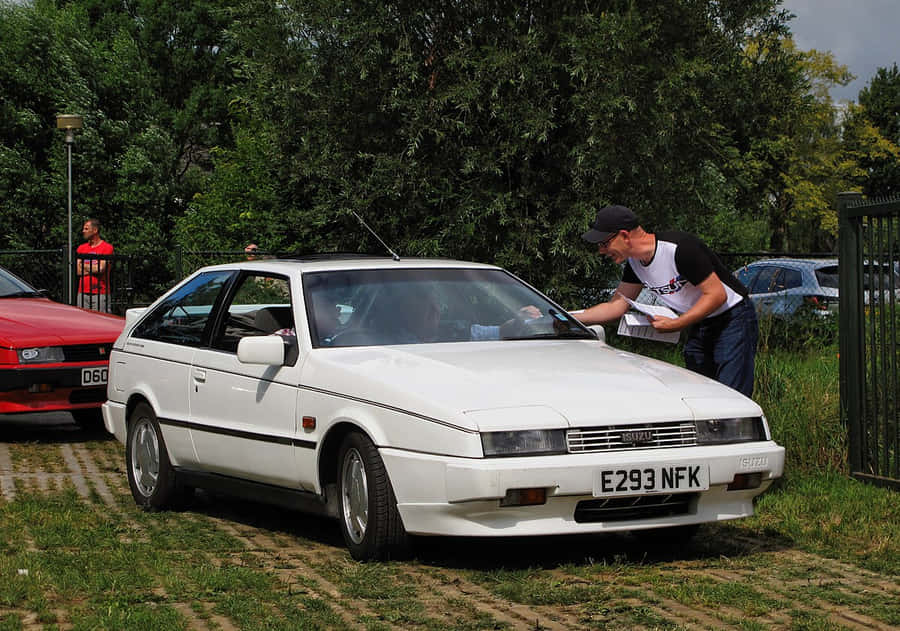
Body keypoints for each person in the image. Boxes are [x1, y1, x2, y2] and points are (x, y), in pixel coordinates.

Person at [576, 205, 758, 397]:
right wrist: (565, 316)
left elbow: (716, 295)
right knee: (700, 390)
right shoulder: (634, 264)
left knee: (731, 393)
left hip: (733, 318)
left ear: (624, 235)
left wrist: (677, 324)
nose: (601, 251)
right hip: (702, 320)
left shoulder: (680, 249)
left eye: (604, 244)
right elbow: (615, 307)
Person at [76, 218, 114, 312]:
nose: (83, 231)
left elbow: (101, 268)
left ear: (95, 230)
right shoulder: (81, 248)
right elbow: (78, 271)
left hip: (100, 293)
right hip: (82, 292)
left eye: (86, 229)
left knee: (101, 321)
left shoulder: (107, 248)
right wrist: (93, 269)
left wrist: (83, 265)